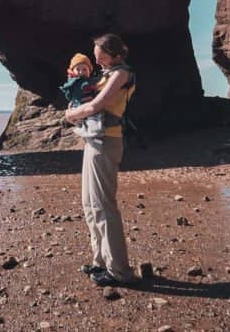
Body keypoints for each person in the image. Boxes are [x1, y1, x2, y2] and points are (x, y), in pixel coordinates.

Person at [63, 33, 141, 287]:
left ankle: (119, 271)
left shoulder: (121, 75)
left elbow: (96, 105)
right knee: (89, 203)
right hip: (92, 140)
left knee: (103, 205)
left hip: (106, 142)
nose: (97, 61)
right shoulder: (106, 73)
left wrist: (71, 114)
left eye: (101, 56)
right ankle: (101, 261)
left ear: (114, 54)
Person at [60, 53, 105, 139]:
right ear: (73, 71)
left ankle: (91, 132)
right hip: (79, 106)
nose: (81, 72)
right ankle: (88, 131)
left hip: (88, 105)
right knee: (86, 119)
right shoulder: (74, 81)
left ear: (89, 70)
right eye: (78, 69)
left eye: (84, 69)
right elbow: (69, 93)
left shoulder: (90, 81)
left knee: (93, 118)